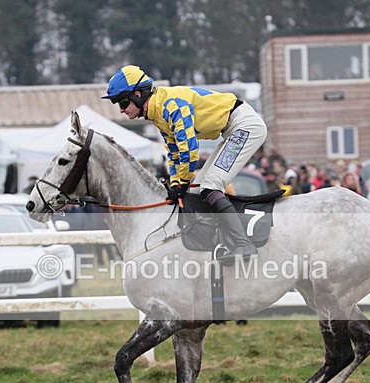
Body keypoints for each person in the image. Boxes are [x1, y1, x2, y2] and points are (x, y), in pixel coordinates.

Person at [102, 65, 267, 262]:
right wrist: (175, 183)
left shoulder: (170, 104)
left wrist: (182, 183)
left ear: (137, 94)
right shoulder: (158, 112)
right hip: (232, 129)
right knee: (197, 189)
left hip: (245, 126)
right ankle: (222, 241)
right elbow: (173, 152)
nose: (121, 109)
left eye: (123, 102)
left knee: (211, 185)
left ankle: (243, 243)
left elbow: (189, 150)